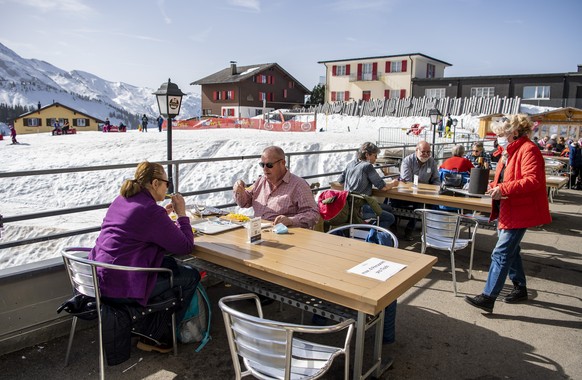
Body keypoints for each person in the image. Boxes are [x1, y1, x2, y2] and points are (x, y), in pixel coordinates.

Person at [89, 161, 200, 352]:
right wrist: (182, 214)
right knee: (190, 276)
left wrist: (162, 217)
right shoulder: (150, 211)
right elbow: (185, 246)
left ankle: (148, 328)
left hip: (100, 277)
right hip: (123, 285)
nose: (168, 188)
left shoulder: (122, 200)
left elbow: (134, 230)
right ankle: (158, 337)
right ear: (155, 183)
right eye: (167, 183)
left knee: (170, 264)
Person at [465, 114, 551, 313]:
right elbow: (507, 178)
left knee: (501, 253)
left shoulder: (528, 149)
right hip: (508, 208)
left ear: (513, 133)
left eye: (502, 134)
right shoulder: (510, 150)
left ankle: (488, 297)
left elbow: (532, 180)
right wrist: (494, 186)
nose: (499, 137)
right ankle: (520, 288)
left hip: (520, 209)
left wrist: (503, 189)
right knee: (511, 251)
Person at [233, 146, 319, 229]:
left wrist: (290, 220)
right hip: (258, 231)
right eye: (262, 165)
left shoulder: (299, 185)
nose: (265, 169)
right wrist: (239, 191)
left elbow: (313, 214)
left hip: (285, 235)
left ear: (283, 163)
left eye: (269, 165)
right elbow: (244, 203)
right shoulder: (260, 181)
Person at [337, 142, 399, 229]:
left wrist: (354, 187)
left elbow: (340, 182)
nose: (376, 158)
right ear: (367, 155)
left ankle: (372, 229)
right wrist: (393, 183)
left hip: (348, 205)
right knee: (390, 218)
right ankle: (373, 235)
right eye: (375, 155)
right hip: (361, 207)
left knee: (388, 208)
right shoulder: (367, 166)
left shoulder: (350, 164)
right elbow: (383, 187)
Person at [394, 140, 440, 240]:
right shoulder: (407, 161)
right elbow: (407, 181)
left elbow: (436, 179)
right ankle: (393, 229)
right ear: (416, 150)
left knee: (427, 204)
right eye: (423, 152)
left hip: (425, 194)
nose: (426, 154)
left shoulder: (431, 161)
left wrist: (435, 189)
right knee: (392, 201)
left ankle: (411, 230)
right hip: (407, 193)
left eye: (428, 152)